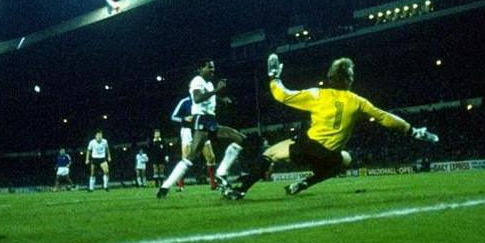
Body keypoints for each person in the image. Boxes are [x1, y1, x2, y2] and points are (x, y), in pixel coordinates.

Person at [225, 54, 438, 199]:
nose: (353, 78)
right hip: (328, 155)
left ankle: (240, 191)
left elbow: (282, 95)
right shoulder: (358, 101)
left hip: (308, 147)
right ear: (345, 79)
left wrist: (274, 78)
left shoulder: (318, 95)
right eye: (351, 75)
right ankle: (304, 183)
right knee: (345, 159)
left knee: (269, 154)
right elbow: (385, 118)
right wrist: (412, 130)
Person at [157, 59, 246, 198]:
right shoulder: (197, 81)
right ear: (200, 68)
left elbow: (209, 99)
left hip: (210, 120)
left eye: (213, 67)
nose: (212, 70)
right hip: (201, 120)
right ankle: (165, 187)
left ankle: (221, 174)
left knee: (239, 138)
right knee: (191, 157)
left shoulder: (209, 83)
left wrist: (222, 99)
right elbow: (197, 99)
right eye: (209, 67)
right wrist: (217, 90)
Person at [169, 94, 217, 191]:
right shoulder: (185, 101)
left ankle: (213, 184)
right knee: (186, 158)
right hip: (187, 131)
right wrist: (184, 119)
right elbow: (173, 116)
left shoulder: (204, 100)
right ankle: (180, 185)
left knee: (211, 157)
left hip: (201, 129)